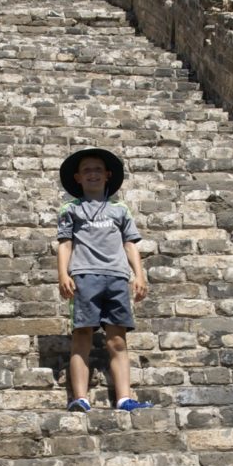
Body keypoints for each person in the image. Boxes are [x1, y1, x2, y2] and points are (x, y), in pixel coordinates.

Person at [56, 147, 152, 413]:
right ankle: (80, 397)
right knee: (82, 336)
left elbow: (130, 244)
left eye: (98, 169)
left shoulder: (120, 209)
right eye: (87, 170)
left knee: (117, 340)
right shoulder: (70, 209)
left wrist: (139, 274)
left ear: (108, 175)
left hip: (117, 278)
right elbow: (65, 244)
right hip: (84, 277)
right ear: (77, 177)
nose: (93, 174)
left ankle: (123, 397)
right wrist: (63, 274)